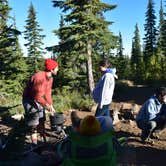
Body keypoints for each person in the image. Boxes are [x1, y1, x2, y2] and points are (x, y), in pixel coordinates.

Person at [22, 58, 59, 145]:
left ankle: (43, 140)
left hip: (38, 100)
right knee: (34, 122)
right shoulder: (39, 77)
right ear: (51, 69)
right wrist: (47, 106)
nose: (58, 69)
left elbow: (48, 92)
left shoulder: (50, 78)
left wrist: (51, 105)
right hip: (29, 100)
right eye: (57, 68)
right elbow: (37, 96)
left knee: (42, 119)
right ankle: (34, 145)